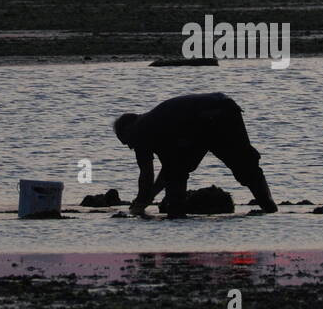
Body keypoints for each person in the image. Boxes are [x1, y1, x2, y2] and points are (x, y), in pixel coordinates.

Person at [113, 92, 278, 218]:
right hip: (225, 107)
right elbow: (169, 169)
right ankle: (269, 208)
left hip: (211, 116)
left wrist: (141, 203)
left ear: (128, 128)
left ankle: (176, 215)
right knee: (246, 166)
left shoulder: (141, 130)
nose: (130, 147)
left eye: (126, 142)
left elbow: (147, 174)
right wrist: (148, 197)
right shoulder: (155, 123)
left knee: (177, 174)